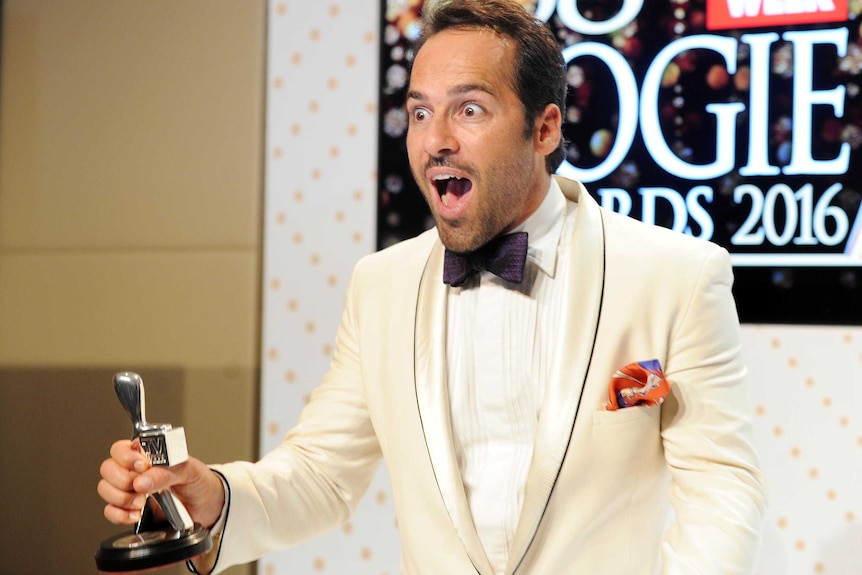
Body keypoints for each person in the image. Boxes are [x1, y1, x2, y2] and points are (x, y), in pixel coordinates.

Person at [98, 1, 767, 573]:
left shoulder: (675, 276)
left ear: (546, 128)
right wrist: (209, 493)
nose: (434, 141)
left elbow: (722, 486)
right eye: (420, 114)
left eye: (468, 109)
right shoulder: (380, 285)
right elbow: (322, 475)